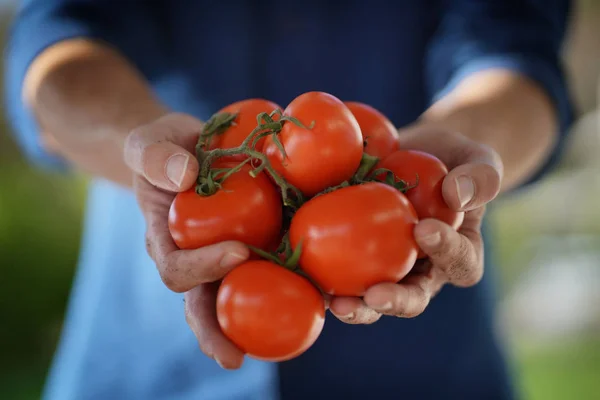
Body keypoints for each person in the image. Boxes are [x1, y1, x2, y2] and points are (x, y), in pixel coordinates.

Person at [4, 1, 573, 399]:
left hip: (424, 365)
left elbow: (516, 49)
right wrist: (144, 144)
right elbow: (56, 45)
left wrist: (464, 160)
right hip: (143, 365)